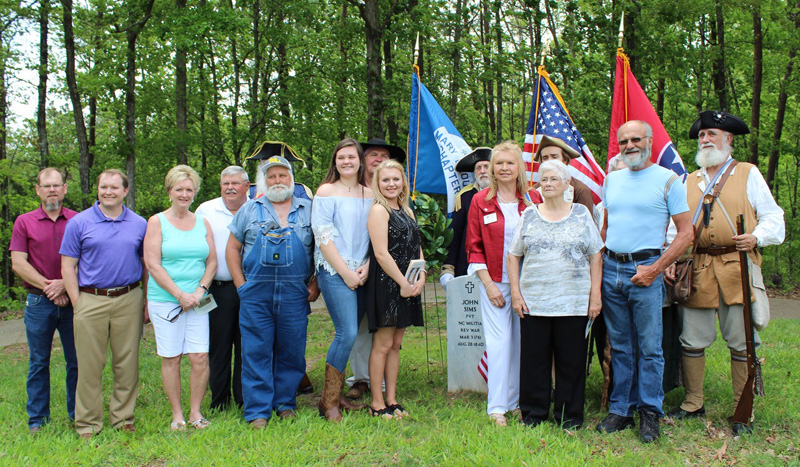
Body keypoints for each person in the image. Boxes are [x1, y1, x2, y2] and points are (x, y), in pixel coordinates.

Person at [667, 111, 784, 435]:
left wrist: (757, 236)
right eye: (702, 135)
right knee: (692, 340)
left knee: (742, 342)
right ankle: (693, 403)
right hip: (700, 268)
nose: (705, 139)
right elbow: (675, 229)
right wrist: (671, 259)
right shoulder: (689, 181)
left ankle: (740, 411)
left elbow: (774, 218)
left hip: (737, 267)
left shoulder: (747, 173)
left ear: (728, 140)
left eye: (712, 134)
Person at [596, 120, 692, 443]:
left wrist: (656, 268)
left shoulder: (668, 181)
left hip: (646, 269)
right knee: (621, 346)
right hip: (612, 269)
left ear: (649, 141)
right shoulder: (612, 180)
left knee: (650, 348)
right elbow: (606, 227)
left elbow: (686, 234)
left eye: (636, 139)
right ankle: (621, 409)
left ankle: (650, 413)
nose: (630, 145)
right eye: (624, 141)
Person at [507, 160, 603, 429]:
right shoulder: (528, 215)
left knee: (570, 363)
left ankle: (569, 417)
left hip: (573, 302)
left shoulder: (582, 214)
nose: (548, 184)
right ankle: (533, 414)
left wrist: (595, 296)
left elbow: (596, 255)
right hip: (535, 302)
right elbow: (513, 256)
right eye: (543, 179)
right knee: (534, 362)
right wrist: (516, 293)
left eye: (553, 179)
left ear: (566, 184)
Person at [226, 156, 319, 428]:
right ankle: (257, 411)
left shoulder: (309, 210)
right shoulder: (249, 209)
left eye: (282, 175)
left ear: (292, 179)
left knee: (292, 350)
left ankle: (285, 403)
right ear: (263, 182)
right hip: (256, 291)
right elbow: (232, 249)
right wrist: (240, 284)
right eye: (272, 176)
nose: (277, 180)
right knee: (256, 350)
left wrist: (316, 284)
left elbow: (322, 249)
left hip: (294, 292)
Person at [60, 169, 148, 438]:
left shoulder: (139, 223)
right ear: (97, 190)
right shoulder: (79, 223)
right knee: (89, 365)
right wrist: (78, 303)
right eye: (103, 187)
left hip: (129, 297)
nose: (108, 192)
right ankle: (88, 423)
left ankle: (123, 418)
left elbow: (146, 265)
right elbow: (67, 266)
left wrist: (145, 300)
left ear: (125, 191)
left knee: (127, 362)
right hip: (90, 298)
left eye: (114, 187)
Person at [465, 140, 542, 426]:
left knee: (524, 343)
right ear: (492, 169)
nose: (505, 168)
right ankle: (497, 406)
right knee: (499, 343)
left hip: (530, 284)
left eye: (510, 162)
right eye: (499, 163)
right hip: (496, 283)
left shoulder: (534, 199)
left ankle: (519, 400)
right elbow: (474, 248)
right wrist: (488, 285)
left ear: (519, 166)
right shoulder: (480, 200)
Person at [144, 165, 217, 431]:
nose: (184, 194)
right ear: (169, 191)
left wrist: (200, 290)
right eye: (179, 189)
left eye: (189, 189)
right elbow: (152, 264)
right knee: (172, 357)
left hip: (198, 301)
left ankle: (196, 413)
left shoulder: (202, 222)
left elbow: (211, 261)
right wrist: (179, 295)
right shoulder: (157, 221)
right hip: (166, 300)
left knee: (199, 357)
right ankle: (178, 415)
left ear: (194, 192)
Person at [10, 168, 78, 435]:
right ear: (37, 190)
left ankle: (77, 414)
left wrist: (65, 283)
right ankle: (37, 419)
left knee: (76, 360)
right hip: (39, 302)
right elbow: (18, 263)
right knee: (39, 361)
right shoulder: (24, 222)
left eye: (56, 185)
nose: (52, 190)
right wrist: (51, 286)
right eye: (46, 185)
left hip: (73, 300)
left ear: (64, 189)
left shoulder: (78, 220)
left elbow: (88, 260)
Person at [313, 138, 371, 421]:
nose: (346, 162)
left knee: (351, 335)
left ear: (360, 161)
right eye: (341, 158)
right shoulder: (326, 191)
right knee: (345, 332)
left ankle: (338, 399)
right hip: (335, 270)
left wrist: (368, 266)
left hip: (363, 272)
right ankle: (329, 402)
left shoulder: (369, 192)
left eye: (351, 157)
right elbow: (323, 238)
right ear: (334, 162)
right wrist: (346, 273)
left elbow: (377, 234)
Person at [346, 137, 406, 400]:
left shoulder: (397, 199)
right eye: (373, 155)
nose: (378, 159)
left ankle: (381, 385)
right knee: (359, 328)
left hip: (384, 270)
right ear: (363, 159)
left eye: (384, 155)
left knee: (387, 335)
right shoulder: (350, 190)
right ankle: (360, 379)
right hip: (352, 269)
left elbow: (399, 240)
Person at [365, 160, 425, 419]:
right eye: (385, 180)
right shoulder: (379, 211)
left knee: (397, 343)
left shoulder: (407, 210)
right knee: (383, 343)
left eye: (395, 179)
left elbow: (416, 247)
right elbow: (380, 253)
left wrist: (421, 275)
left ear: (403, 181)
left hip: (409, 281)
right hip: (388, 283)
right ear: (377, 183)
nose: (391, 184)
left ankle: (392, 398)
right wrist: (402, 282)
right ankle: (377, 403)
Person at [196, 166, 250, 412]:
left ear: (246, 187)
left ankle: (242, 398)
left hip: (249, 289)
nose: (229, 187)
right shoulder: (206, 210)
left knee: (246, 344)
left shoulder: (257, 208)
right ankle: (219, 401)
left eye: (235, 183)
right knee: (218, 347)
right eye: (225, 183)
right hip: (217, 289)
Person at [440, 147, 492, 288]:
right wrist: (448, 267)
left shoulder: (505, 194)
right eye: (478, 168)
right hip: (467, 266)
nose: (482, 171)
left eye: (486, 166)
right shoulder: (465, 197)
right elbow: (454, 235)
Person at [533, 136, 595, 216]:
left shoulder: (581, 191)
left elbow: (585, 224)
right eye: (545, 158)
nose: (550, 161)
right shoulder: (534, 191)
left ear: (565, 160)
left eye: (554, 157)